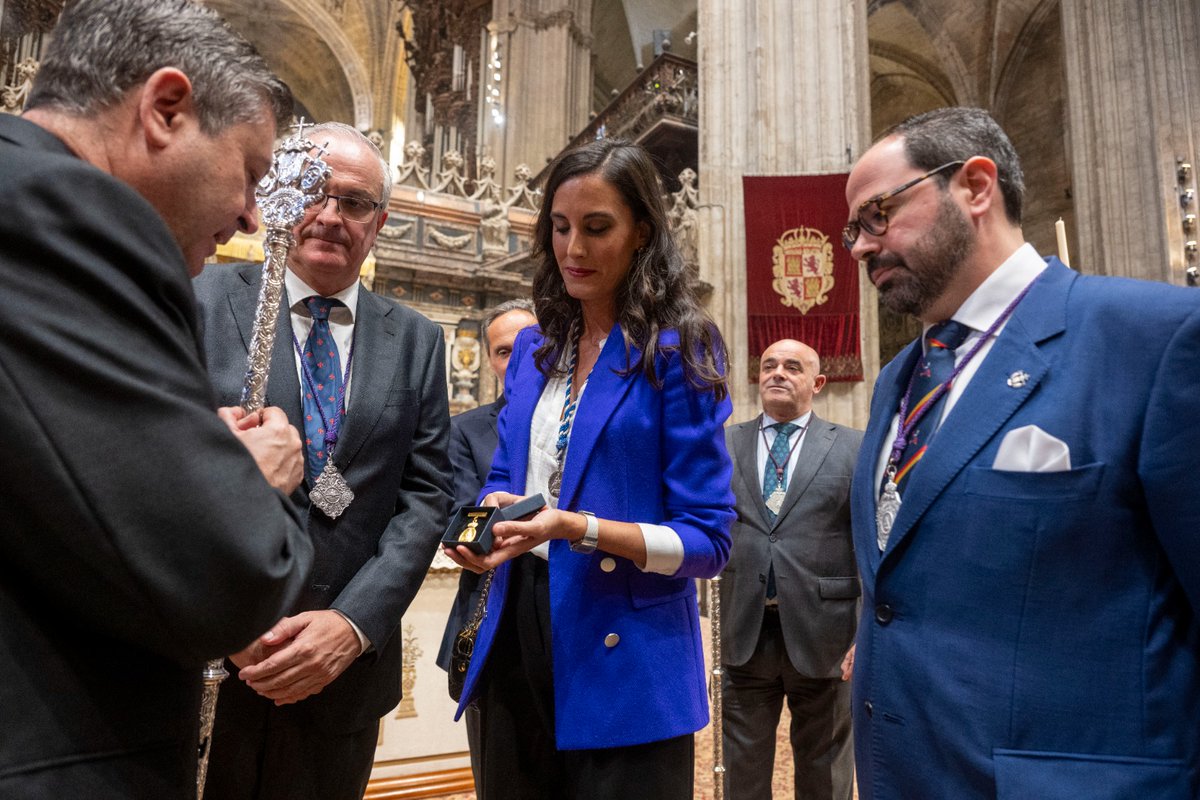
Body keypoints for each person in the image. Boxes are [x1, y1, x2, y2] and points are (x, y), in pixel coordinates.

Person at [0, 0, 314, 796]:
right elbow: (228, 576)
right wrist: (250, 473)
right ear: (166, 109)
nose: (251, 213)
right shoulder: (60, 214)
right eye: (247, 171)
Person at [843, 106, 1200, 799]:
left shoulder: (1155, 340)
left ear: (976, 188)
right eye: (854, 228)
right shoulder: (899, 379)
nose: (859, 245)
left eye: (878, 214)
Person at [443, 137, 736, 800]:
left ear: (642, 233)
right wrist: (483, 530)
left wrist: (579, 528)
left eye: (597, 228)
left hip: (626, 647)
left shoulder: (678, 348)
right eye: (560, 227)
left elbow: (709, 541)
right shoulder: (532, 351)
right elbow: (504, 475)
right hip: (516, 629)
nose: (573, 249)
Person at [193, 122, 452, 800]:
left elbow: (426, 496)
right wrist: (225, 621)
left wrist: (354, 624)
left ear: (380, 221)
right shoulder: (204, 302)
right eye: (312, 192)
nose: (331, 216)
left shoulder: (418, 340)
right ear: (276, 197)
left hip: (345, 672)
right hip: (213, 657)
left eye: (356, 203)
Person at [720, 338, 862, 800]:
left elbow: (872, 543)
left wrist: (867, 635)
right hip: (744, 630)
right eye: (769, 365)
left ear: (817, 383)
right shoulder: (723, 444)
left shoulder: (852, 447)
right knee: (742, 768)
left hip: (827, 634)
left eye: (792, 367)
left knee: (825, 769)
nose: (778, 373)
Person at [435, 298, 537, 795]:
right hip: (495, 621)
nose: (517, 360)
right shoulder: (467, 430)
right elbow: (462, 519)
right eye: (502, 351)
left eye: (531, 345)